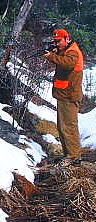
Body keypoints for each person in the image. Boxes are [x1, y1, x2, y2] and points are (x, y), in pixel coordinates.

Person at [43, 28, 83, 166]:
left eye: (58, 41)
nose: (56, 44)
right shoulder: (66, 49)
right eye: (55, 41)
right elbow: (62, 59)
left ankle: (73, 157)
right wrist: (56, 52)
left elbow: (67, 64)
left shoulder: (72, 51)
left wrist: (52, 56)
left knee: (69, 127)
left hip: (69, 96)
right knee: (62, 126)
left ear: (67, 38)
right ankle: (69, 154)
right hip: (64, 94)